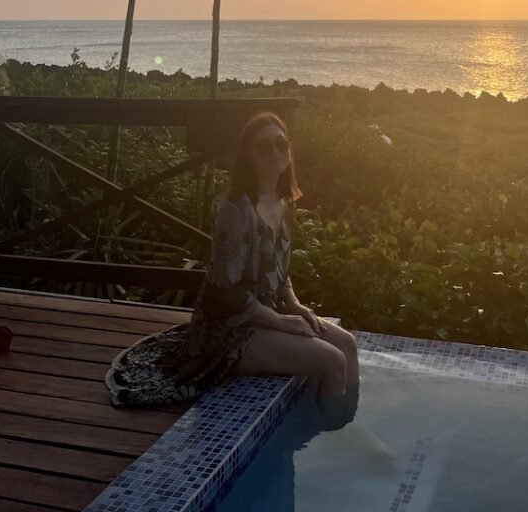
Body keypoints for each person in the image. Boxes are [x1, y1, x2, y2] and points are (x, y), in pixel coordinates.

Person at [106, 111, 360, 430]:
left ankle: (344, 424)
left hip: (269, 313)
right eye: (263, 147)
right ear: (247, 157)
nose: (275, 152)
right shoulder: (235, 210)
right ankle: (331, 438)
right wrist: (281, 320)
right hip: (230, 329)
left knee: (347, 344)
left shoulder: (282, 201)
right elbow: (227, 290)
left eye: (281, 143)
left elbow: (279, 271)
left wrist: (294, 304)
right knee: (331, 361)